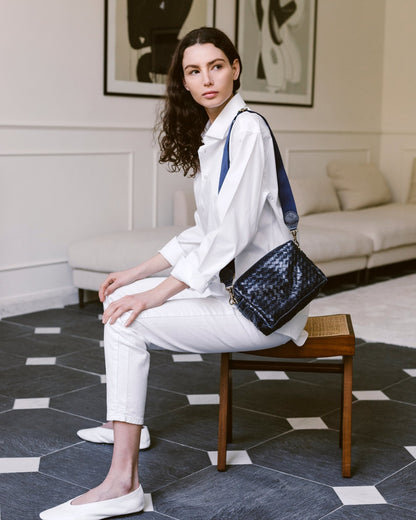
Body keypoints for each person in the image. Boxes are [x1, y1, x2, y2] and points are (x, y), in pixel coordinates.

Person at [40, 26, 308, 520]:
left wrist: (155, 296)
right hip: (240, 292)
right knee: (122, 298)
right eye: (193, 70)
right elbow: (202, 232)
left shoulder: (245, 129)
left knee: (128, 318)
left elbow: (229, 237)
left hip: (265, 306)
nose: (206, 78)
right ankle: (127, 425)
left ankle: (122, 483)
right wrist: (135, 273)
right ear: (183, 82)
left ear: (236, 69)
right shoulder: (217, 134)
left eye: (216, 66)